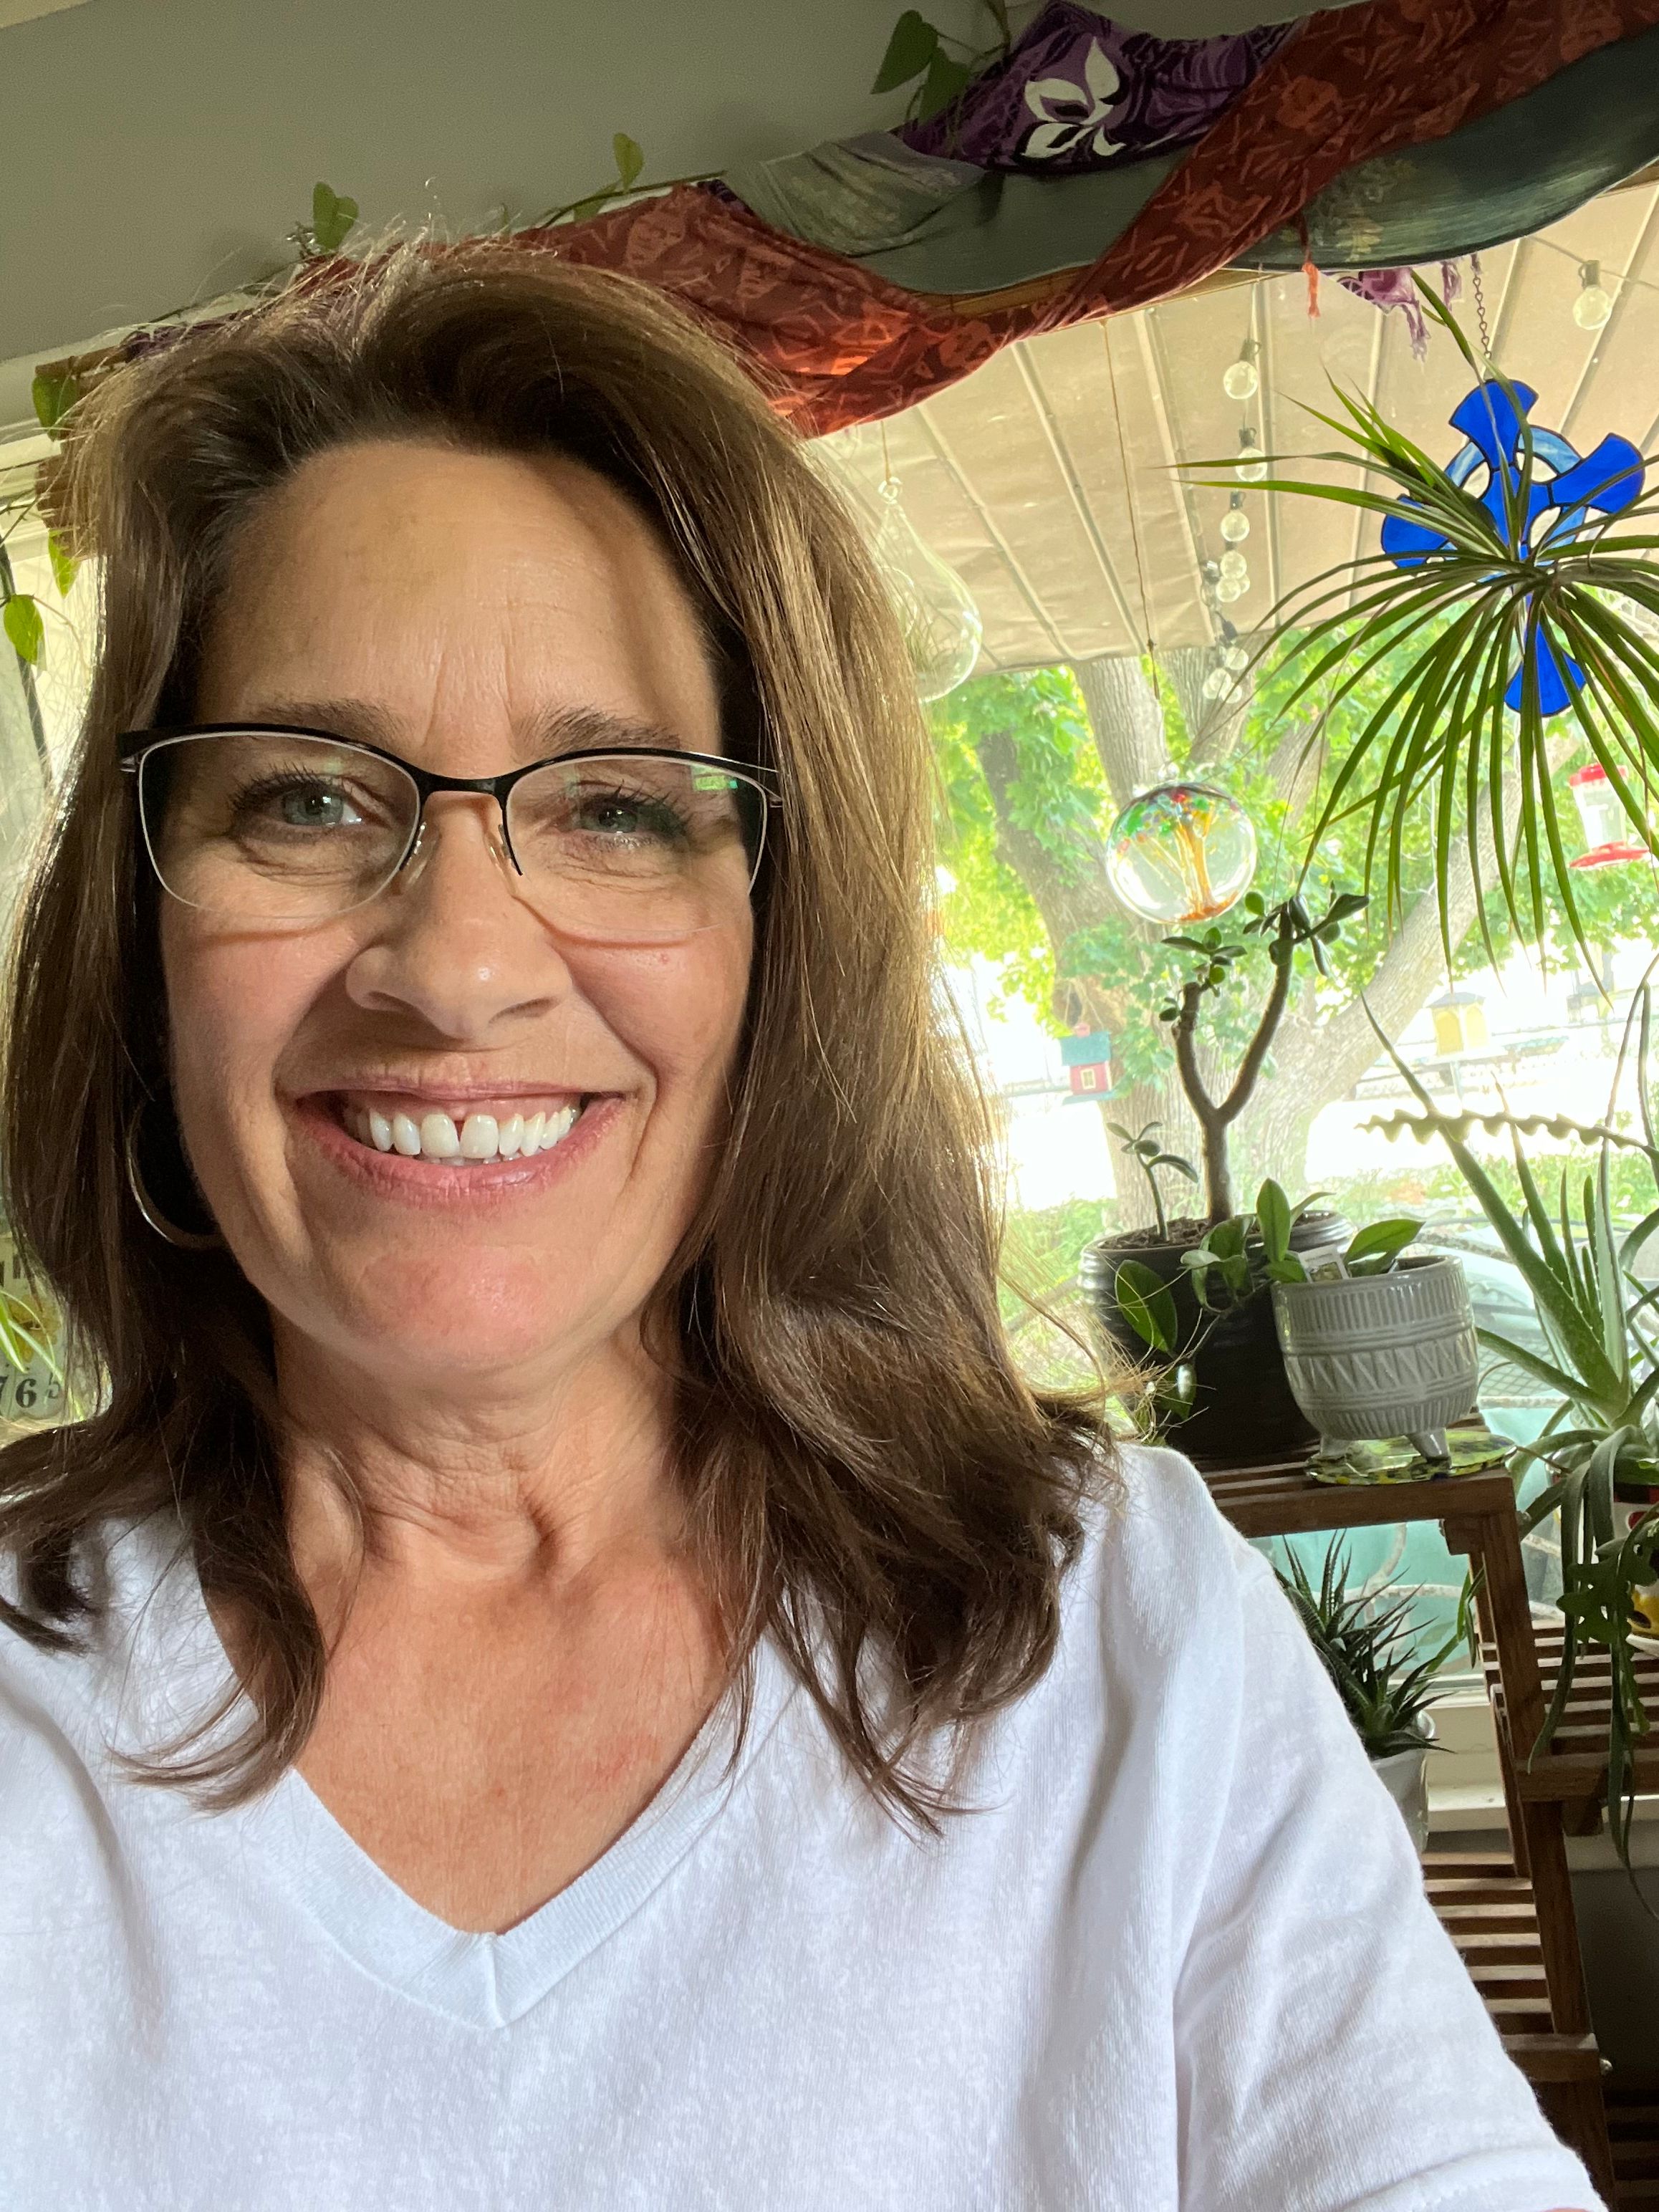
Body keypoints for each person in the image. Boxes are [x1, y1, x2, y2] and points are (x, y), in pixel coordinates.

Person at [0, 246, 1597, 2211]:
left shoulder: (1113, 1627)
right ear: (141, 936)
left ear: (781, 937)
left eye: (614, 807)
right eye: (306, 802)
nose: (459, 965)